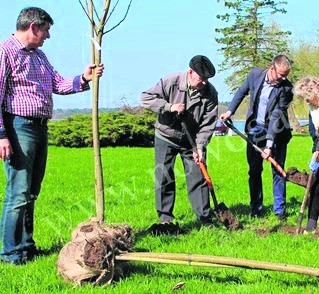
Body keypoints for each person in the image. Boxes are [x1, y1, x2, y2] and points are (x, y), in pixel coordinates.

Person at [0, 7, 104, 264]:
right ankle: (11, 253)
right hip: (18, 127)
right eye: (46, 30)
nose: (48, 36)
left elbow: (57, 83)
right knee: (18, 192)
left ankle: (26, 245)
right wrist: (1, 134)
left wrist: (84, 78)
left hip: (39, 127)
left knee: (32, 191)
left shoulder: (39, 56)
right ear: (34, 27)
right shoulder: (5, 52)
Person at [140, 55, 218, 232]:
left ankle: (204, 217)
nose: (204, 82)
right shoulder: (171, 82)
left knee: (198, 176)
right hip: (165, 136)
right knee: (164, 176)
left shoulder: (210, 93)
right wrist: (169, 107)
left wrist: (200, 147)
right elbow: (145, 98)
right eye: (201, 78)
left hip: (190, 141)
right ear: (191, 72)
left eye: (207, 79)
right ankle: (165, 218)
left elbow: (207, 125)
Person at [220, 55, 293, 220]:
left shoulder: (286, 89)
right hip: (255, 129)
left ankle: (280, 211)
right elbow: (241, 92)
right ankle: (256, 209)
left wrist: (268, 145)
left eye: (286, 75)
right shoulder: (255, 75)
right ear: (271, 68)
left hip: (278, 131)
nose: (284, 78)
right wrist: (229, 111)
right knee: (254, 170)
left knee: (277, 170)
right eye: (281, 74)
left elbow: (276, 116)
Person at [294, 76, 319, 233]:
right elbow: (314, 131)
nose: (307, 102)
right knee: (315, 183)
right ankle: (311, 223)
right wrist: (316, 149)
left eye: (308, 98)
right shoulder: (312, 107)